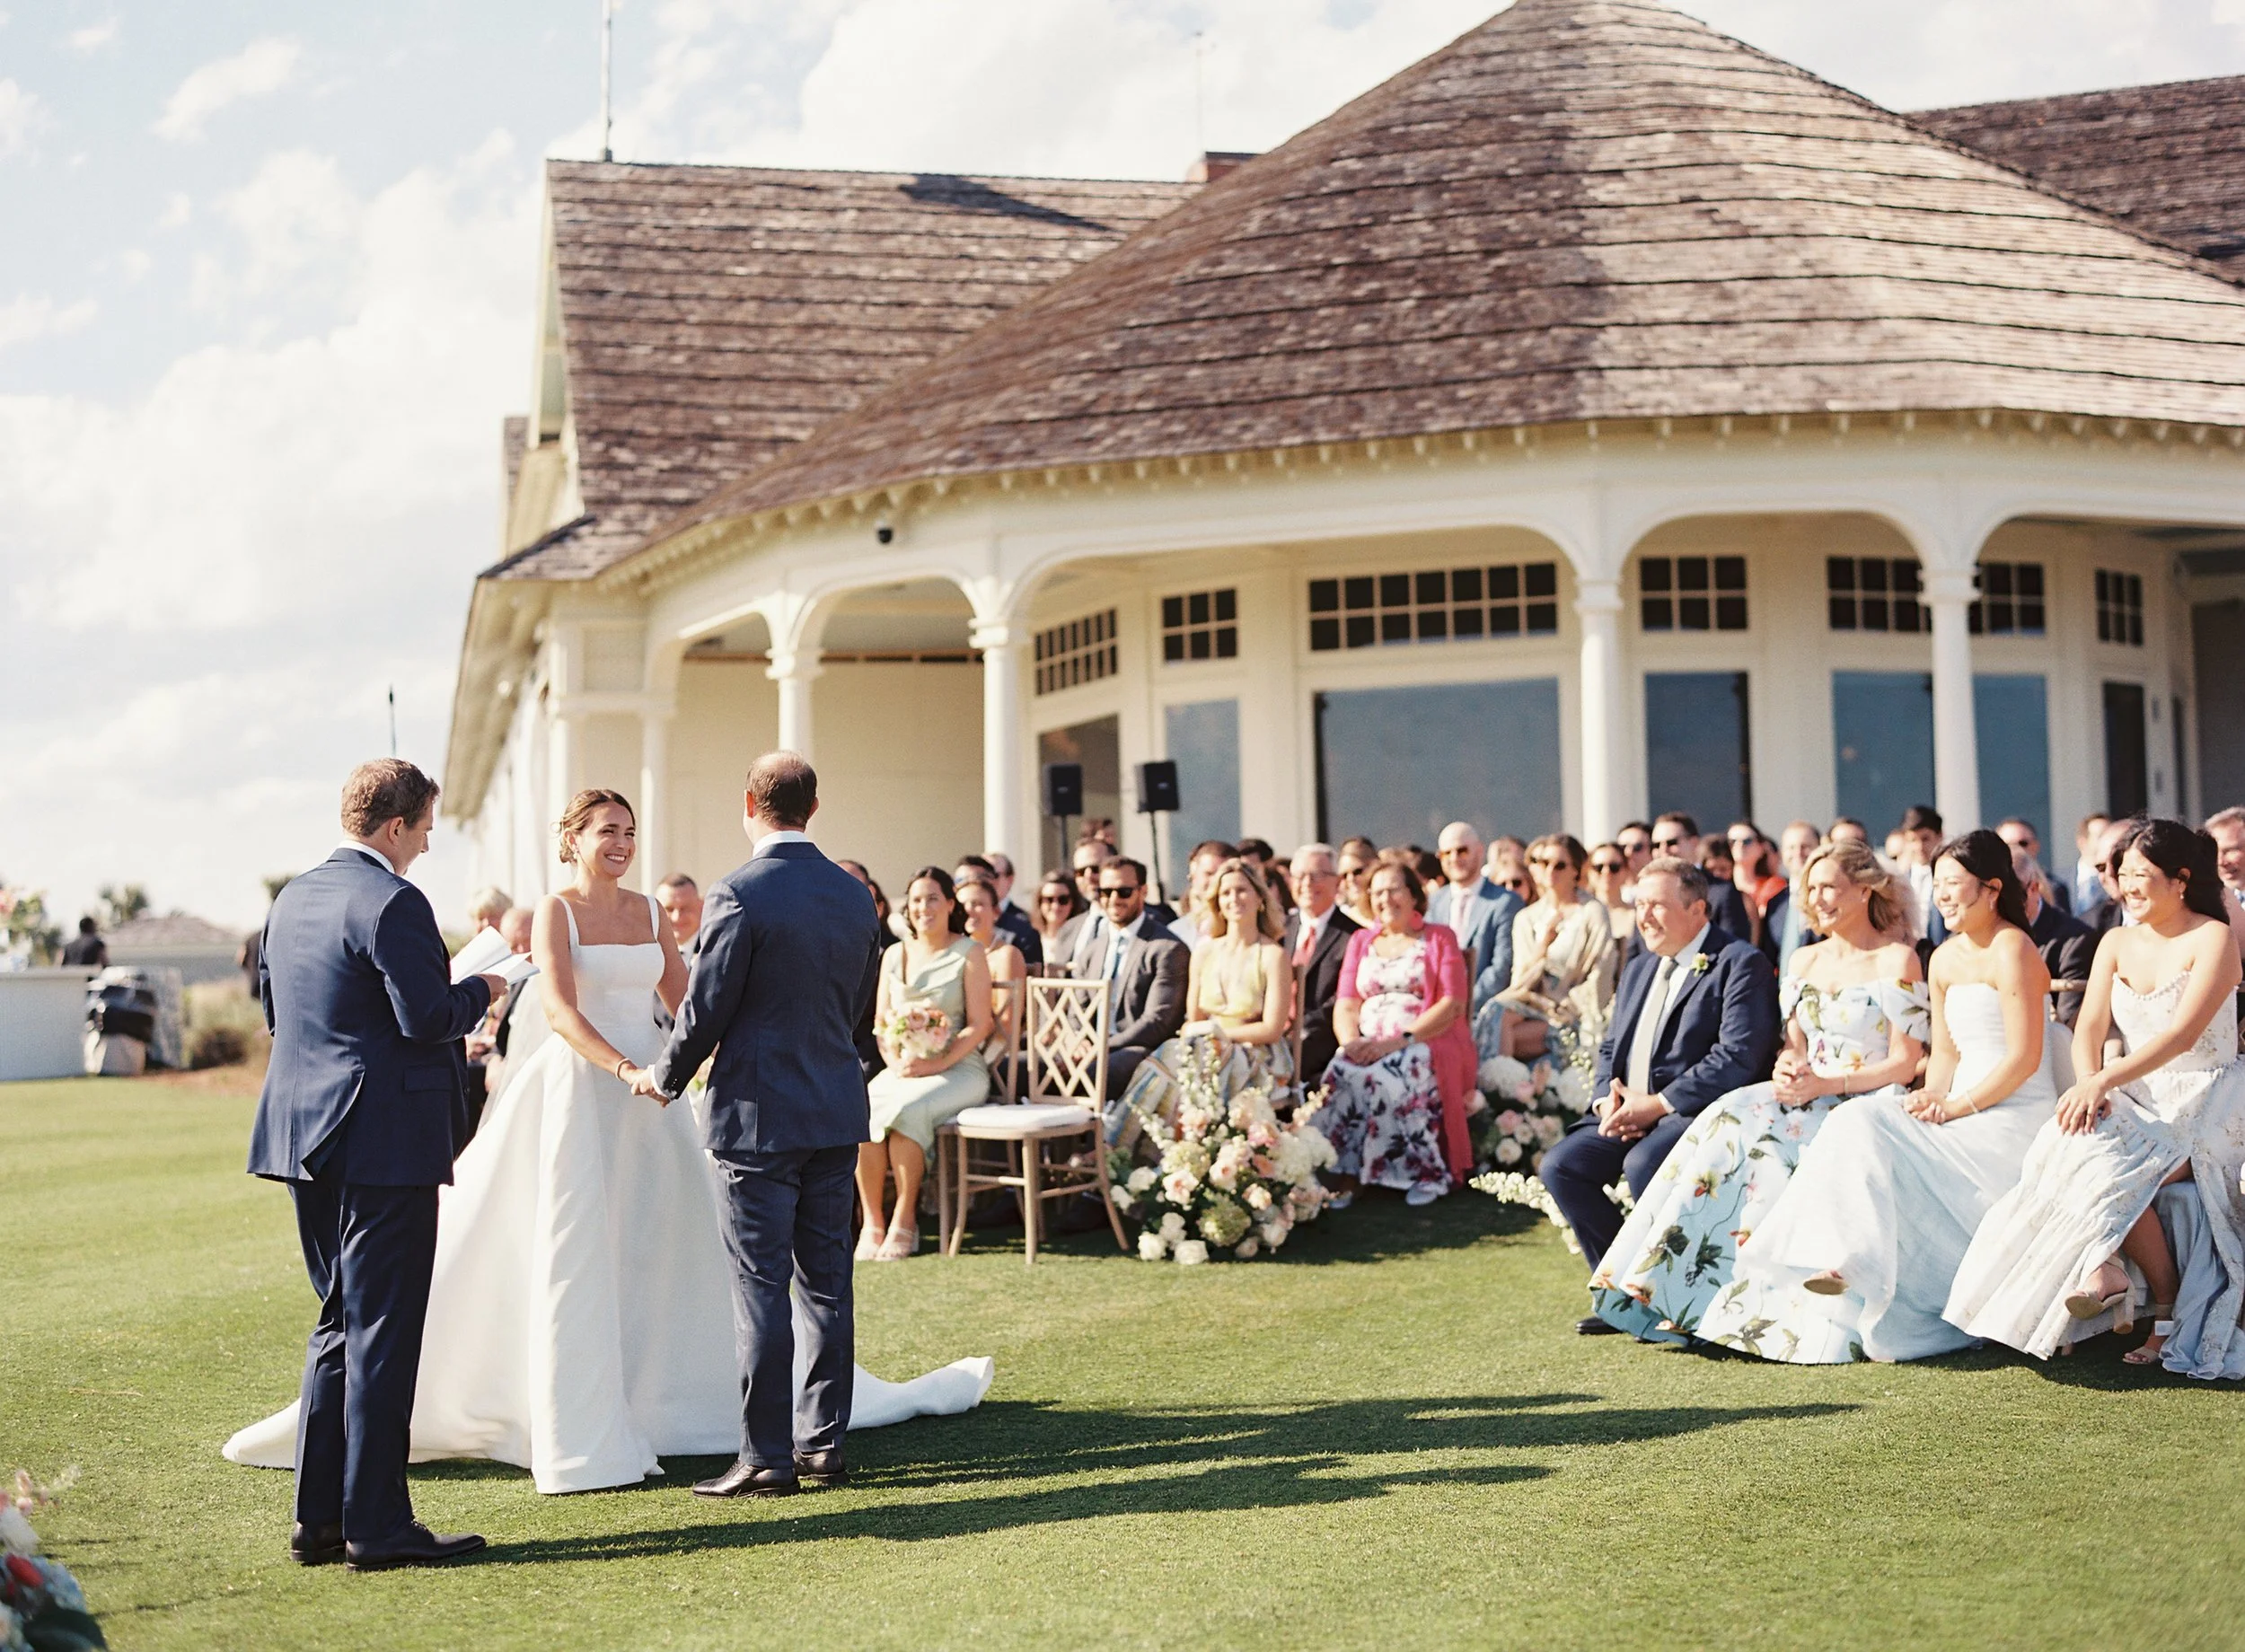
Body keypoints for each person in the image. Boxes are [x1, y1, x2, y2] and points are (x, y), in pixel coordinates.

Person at [641, 753, 989, 1496]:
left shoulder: (739, 892)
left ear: (749, 804)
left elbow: (707, 1007)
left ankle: (766, 1455)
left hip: (757, 1118)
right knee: (826, 1285)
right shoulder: (852, 895)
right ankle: (822, 1446)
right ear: (814, 808)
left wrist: (667, 1076)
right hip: (835, 1107)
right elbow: (860, 1010)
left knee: (760, 1288)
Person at [242, 759, 502, 1569]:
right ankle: (379, 1526)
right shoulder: (395, 901)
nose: (427, 844)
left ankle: (320, 1517)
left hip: (304, 1135)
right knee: (382, 1331)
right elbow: (427, 1017)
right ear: (395, 827)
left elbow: (280, 1013)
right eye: (424, 828)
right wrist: (486, 987)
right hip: (383, 1140)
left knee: (339, 1323)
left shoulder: (293, 899)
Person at [1698, 829, 2056, 1364]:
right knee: (1863, 1119)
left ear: (1991, 888)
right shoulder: (1945, 958)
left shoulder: (2014, 948)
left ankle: (1850, 1261)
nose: (1943, 896)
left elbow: (2025, 1059)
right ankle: (1841, 1261)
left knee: (1862, 1118)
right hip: (1960, 1104)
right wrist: (1928, 1099)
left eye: (1955, 884)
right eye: (1937, 885)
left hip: (2012, 1112)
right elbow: (1947, 1058)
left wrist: (1955, 1106)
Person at [1588, 840, 1924, 1342]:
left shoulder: (1898, 959)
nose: (1818, 897)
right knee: (1730, 1115)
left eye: (1829, 885)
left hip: (1867, 1100)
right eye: (1811, 887)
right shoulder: (1805, 960)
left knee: (1798, 1143)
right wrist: (1790, 1065)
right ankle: (1675, 1290)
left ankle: (1784, 1298)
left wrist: (1829, 1083)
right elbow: (1792, 1047)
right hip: (1805, 1092)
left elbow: (1907, 1061)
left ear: (1865, 889)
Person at [1947, 819, 2245, 1372]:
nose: (2127, 886)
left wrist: (2105, 1080)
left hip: (2208, 1098)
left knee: (2116, 1167)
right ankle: (2118, 1273)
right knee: (2071, 1141)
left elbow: (2181, 1035)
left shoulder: (2213, 937)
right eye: (2121, 874)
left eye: (2141, 875)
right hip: (2133, 1095)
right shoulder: (2115, 940)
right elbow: (2088, 1031)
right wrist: (2091, 1084)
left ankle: (2158, 1304)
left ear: (2180, 880)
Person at [1540, 857, 1780, 1325]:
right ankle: (1621, 1289)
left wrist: (1657, 1106)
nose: (1644, 915)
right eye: (1640, 904)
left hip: (1693, 1112)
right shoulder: (1640, 965)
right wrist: (1603, 1098)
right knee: (1562, 1166)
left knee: (1644, 1163)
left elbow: (1737, 1057)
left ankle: (1675, 1299)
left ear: (1697, 911)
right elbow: (1612, 1043)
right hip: (1627, 1109)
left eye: (1657, 905)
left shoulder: (1739, 963)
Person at [1308, 861, 1475, 1208]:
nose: (1386, 898)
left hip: (1424, 1041)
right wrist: (1350, 1043)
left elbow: (1452, 1005)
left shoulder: (1438, 937)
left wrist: (1397, 1042)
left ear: (1413, 895)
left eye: (1394, 889)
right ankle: (1348, 1174)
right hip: (1366, 1042)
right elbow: (1347, 1003)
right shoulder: (1361, 940)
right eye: (1378, 891)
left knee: (1389, 1076)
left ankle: (1423, 1173)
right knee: (1339, 1072)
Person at [859, 867, 994, 1260]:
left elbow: (979, 1025)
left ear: (950, 904)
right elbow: (881, 1023)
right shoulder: (894, 955)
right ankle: (872, 1222)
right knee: (860, 1109)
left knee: (908, 1111)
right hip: (904, 1067)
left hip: (958, 1068)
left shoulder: (970, 952)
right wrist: (894, 1060)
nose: (924, 907)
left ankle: (905, 1220)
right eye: (916, 900)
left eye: (933, 898)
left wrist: (935, 1065)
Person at [1114, 858, 1293, 1142]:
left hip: (1258, 1055)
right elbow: (1192, 1021)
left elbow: (1272, 1029)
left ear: (1259, 897)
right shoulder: (1204, 952)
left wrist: (1217, 1035)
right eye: (1225, 893)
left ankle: (1146, 1150)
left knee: (1203, 1059)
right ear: (1217, 901)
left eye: (1242, 890)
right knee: (1162, 1061)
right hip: (1205, 1049)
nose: (1234, 899)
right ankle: (1134, 1151)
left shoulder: (1273, 955)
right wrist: (1207, 1037)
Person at [1479, 833, 1618, 1068]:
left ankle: (1498, 1091)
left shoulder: (1592, 912)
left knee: (1496, 1034)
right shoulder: (1526, 918)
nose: (1550, 870)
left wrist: (1563, 1006)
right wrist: (1542, 947)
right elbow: (1520, 982)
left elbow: (1600, 976)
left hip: (1573, 1014)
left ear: (1576, 870)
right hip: (1532, 1006)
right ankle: (1501, 1086)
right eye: (1544, 863)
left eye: (1560, 865)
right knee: (1494, 1013)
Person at [1070, 857, 1188, 1106]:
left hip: (1137, 1048)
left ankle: (1093, 1144)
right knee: (1013, 1068)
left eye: (1123, 891)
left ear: (1143, 891)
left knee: (1096, 1073)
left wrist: (1102, 1047)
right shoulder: (1091, 950)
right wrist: (1078, 1039)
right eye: (1105, 892)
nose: (1113, 899)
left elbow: (1157, 1023)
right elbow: (1075, 1010)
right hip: (1090, 1048)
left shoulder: (1167, 948)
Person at [1427, 821, 1525, 1019]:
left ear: (1479, 851)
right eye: (1447, 853)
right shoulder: (1433, 903)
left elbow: (1501, 968)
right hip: (1436, 1016)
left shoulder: (1505, 902)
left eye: (1462, 851)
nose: (1454, 859)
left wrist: (1461, 1006)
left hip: (1482, 1014)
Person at [1286, 842, 1362, 1092]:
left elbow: (1343, 1001)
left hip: (1320, 1039)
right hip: (1275, 1032)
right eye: (1300, 876)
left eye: (1317, 875)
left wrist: (1296, 1029)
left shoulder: (1353, 936)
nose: (1307, 883)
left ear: (1337, 882)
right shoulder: (1278, 930)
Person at [956, 874, 1026, 1083]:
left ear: (995, 912)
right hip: (957, 1043)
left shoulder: (1007, 955)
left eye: (978, 904)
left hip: (993, 1051)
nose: (969, 911)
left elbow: (1007, 1024)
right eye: (963, 905)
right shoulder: (954, 953)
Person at [2016, 848, 2096, 1026]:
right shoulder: (1968, 938)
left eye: (2011, 895)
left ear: (2034, 888)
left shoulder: (2074, 940)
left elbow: (2067, 1024)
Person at [1650, 813, 1752, 938]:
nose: (1663, 850)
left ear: (1694, 842)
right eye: (1656, 845)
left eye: (1671, 843)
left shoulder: (1722, 892)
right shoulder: (1647, 894)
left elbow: (1735, 951)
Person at [957, 854, 1040, 965]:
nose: (968, 885)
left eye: (977, 879)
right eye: (960, 880)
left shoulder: (1022, 930)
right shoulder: (950, 932)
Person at [651, 873, 705, 1032]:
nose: (677, 917)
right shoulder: (645, 953)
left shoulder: (715, 951)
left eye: (685, 909)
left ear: (701, 906)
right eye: (668, 909)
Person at [1168, 839, 1236, 952]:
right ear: (1193, 876)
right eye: (1209, 874)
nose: (1216, 880)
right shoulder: (1175, 933)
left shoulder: (1249, 930)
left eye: (1224, 873)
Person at [1997, 817, 2069, 914]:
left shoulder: (2056, 888)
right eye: (2007, 845)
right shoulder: (1988, 887)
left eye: (2022, 843)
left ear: (2036, 846)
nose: (2015, 849)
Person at [1584, 843, 1636, 955]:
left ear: (1626, 870)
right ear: (1589, 872)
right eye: (1599, 867)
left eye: (1614, 867)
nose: (1606, 872)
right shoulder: (1580, 913)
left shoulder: (1637, 915)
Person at [1030, 869, 1084, 958]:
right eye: (1049, 899)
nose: (1055, 906)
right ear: (1039, 902)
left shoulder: (1083, 938)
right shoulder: (1029, 937)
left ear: (1073, 903)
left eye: (1063, 900)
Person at [2073, 812, 2112, 917]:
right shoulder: (2060, 882)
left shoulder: (2116, 878)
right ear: (2082, 842)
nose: (2109, 842)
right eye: (2101, 836)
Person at [1336, 837, 1379, 927]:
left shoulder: (1392, 914)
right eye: (1344, 875)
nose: (1350, 879)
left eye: (1357, 872)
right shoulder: (1341, 922)